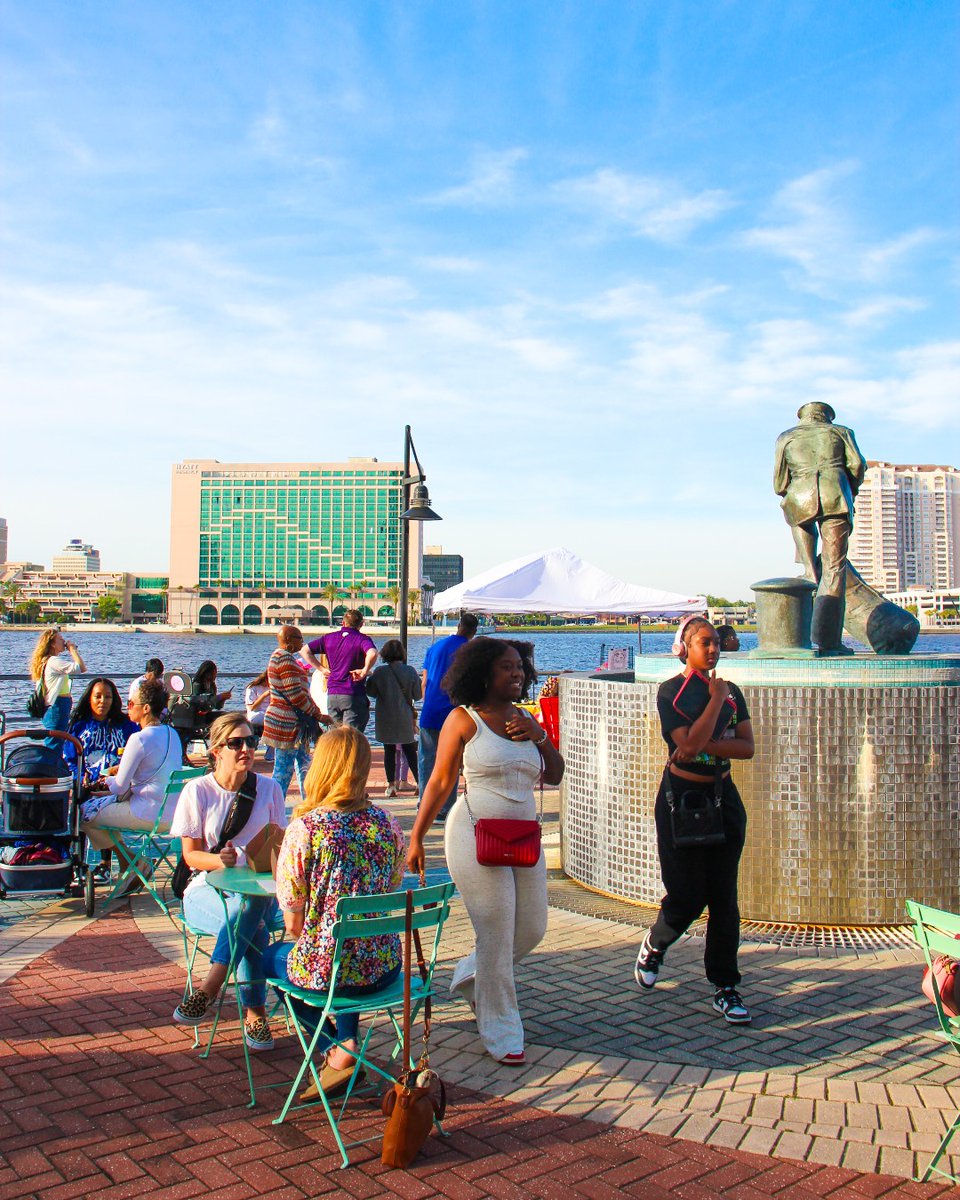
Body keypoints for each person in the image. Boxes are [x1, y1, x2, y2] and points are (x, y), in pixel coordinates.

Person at [407, 637, 564, 1066]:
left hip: (523, 836)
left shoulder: (525, 719)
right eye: (505, 667)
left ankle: (470, 974)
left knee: (530, 927)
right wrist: (417, 836)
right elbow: (439, 781)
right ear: (482, 673)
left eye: (519, 667)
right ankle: (502, 1026)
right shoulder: (464, 720)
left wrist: (541, 735)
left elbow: (554, 774)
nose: (516, 674)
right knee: (496, 932)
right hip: (472, 832)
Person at [263, 726, 405, 1099]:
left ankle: (335, 1046)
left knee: (263, 956)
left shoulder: (305, 831)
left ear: (321, 767)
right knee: (344, 951)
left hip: (334, 971)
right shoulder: (388, 825)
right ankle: (347, 1041)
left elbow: (293, 924)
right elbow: (387, 890)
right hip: (385, 965)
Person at [633, 616, 755, 1024]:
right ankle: (656, 942)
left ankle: (725, 986)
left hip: (723, 799)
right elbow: (684, 744)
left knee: (724, 897)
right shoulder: (672, 692)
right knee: (686, 893)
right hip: (681, 802)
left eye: (717, 641)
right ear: (684, 647)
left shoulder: (734, 691)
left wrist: (708, 742)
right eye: (705, 642)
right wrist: (715, 704)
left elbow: (747, 747)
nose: (714, 648)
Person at [169, 712, 286, 1051]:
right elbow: (190, 856)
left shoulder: (270, 788)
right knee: (253, 926)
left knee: (251, 908)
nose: (246, 749)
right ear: (216, 749)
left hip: (258, 891)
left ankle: (209, 987)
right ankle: (255, 1012)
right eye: (236, 743)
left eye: (251, 741)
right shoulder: (198, 791)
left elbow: (279, 844)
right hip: (206, 888)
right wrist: (220, 859)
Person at [773, 402, 866, 654]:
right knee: (834, 569)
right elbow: (857, 465)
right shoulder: (841, 432)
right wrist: (848, 488)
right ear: (827, 417)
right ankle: (828, 642)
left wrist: (797, 486)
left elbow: (779, 482)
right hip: (835, 495)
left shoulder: (786, 437)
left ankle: (797, 639)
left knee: (810, 573)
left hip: (799, 499)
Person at [80, 678, 183, 893]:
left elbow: (118, 788)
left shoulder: (139, 738)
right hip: (172, 815)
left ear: (145, 708)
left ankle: (131, 860)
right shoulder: (173, 733)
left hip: (146, 812)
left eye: (130, 703)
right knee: (100, 810)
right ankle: (131, 862)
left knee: (83, 815)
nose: (127, 707)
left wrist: (105, 779)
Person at [65, 677, 139, 881]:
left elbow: (138, 755)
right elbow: (69, 758)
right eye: (98, 696)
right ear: (89, 698)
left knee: (100, 807)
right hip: (86, 785)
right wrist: (80, 777)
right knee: (79, 807)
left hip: (116, 786)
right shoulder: (79, 727)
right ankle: (77, 862)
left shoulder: (126, 726)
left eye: (108, 696)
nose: (103, 701)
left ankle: (106, 864)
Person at [418, 613, 478, 821]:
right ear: (474, 631)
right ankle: (446, 809)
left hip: (430, 711)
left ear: (459, 625)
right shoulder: (470, 651)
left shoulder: (435, 648)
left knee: (427, 760)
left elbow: (424, 682)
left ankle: (424, 805)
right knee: (451, 761)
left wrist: (428, 703)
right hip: (454, 714)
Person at [263, 626, 330, 801]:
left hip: (295, 724)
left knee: (305, 765)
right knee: (283, 770)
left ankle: (308, 803)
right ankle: (274, 809)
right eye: (300, 638)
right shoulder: (284, 660)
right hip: (287, 723)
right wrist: (318, 715)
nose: (302, 642)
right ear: (289, 639)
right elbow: (296, 696)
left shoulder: (281, 658)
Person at [301, 610, 377, 732]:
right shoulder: (362, 639)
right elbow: (372, 653)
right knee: (351, 737)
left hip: (332, 695)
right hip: (352, 693)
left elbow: (305, 650)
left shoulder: (328, 638)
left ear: (343, 623)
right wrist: (364, 671)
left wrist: (321, 669)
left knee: (335, 737)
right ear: (361, 624)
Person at [365, 640, 422, 799]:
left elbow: (371, 692)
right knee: (410, 751)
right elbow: (418, 695)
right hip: (404, 716)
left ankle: (391, 786)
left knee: (389, 751)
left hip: (385, 717)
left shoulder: (380, 672)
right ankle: (420, 783)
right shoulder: (410, 671)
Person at [29, 630, 86, 743]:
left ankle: (52, 760)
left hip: (54, 705)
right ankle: (50, 760)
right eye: (60, 639)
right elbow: (81, 668)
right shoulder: (54, 661)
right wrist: (73, 650)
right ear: (53, 644)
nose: (64, 641)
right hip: (57, 705)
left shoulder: (45, 661)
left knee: (56, 739)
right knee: (56, 741)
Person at [169, 659, 232, 760]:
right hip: (195, 715)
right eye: (214, 672)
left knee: (227, 717)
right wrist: (218, 698)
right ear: (208, 673)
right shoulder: (197, 685)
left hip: (205, 713)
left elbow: (215, 706)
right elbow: (196, 701)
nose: (215, 675)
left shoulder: (212, 686)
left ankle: (222, 745)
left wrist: (222, 700)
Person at [244, 670, 273, 763]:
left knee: (278, 721)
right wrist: (264, 695)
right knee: (273, 721)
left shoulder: (272, 687)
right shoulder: (252, 688)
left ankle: (271, 754)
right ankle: (269, 754)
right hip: (256, 714)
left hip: (268, 713)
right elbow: (252, 707)